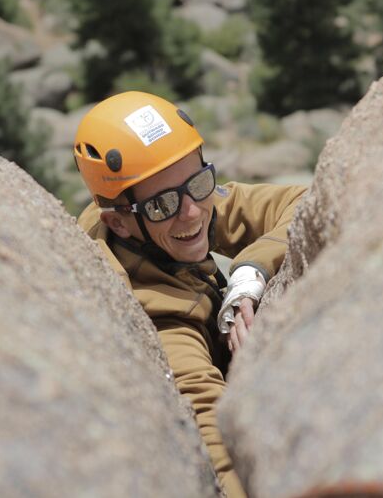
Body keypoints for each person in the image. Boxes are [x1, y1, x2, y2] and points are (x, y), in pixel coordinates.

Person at [74, 91, 307, 498]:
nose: (193, 213)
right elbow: (208, 424)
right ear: (119, 223)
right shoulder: (160, 315)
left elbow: (304, 201)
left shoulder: (167, 207)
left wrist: (250, 270)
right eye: (164, 204)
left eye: (199, 182)